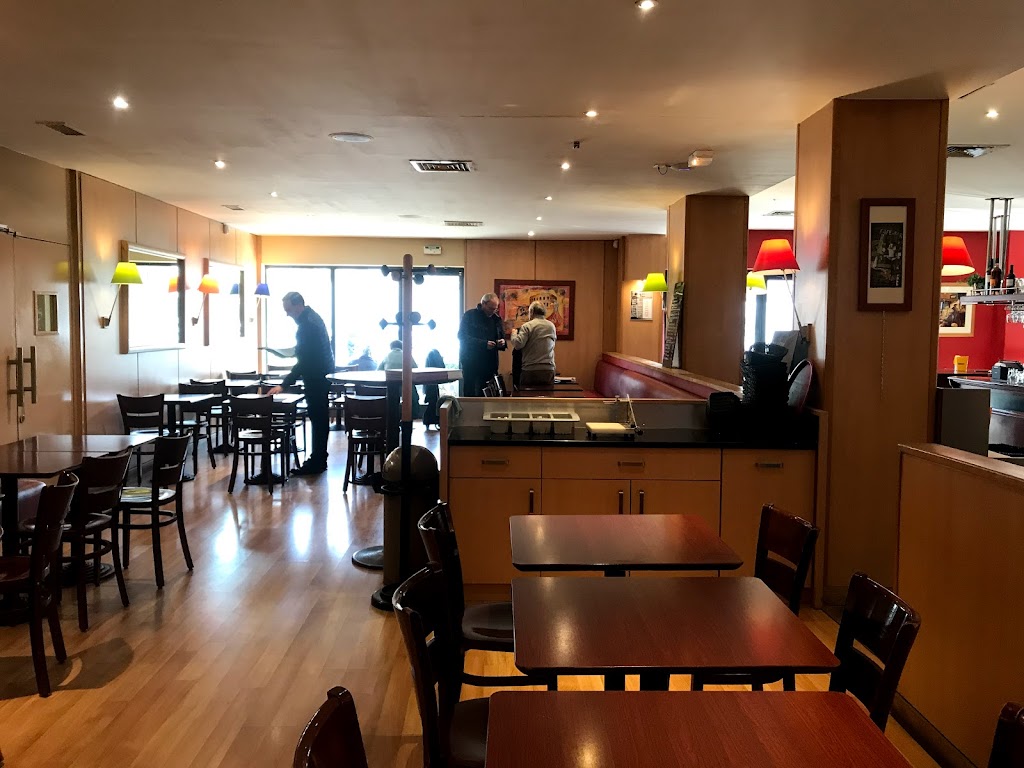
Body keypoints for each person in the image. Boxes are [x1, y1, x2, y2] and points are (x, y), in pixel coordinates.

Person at [267, 292, 333, 476]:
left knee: (318, 419)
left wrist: (284, 384)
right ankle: (319, 459)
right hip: (323, 375)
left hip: (316, 377)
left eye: (288, 310)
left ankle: (317, 461)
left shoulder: (307, 326)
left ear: (298, 305)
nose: (287, 314)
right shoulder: (313, 319)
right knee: (320, 420)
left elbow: (304, 361)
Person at [458, 292, 506, 396]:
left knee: (488, 393)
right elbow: (462, 336)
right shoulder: (470, 315)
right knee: (471, 392)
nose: (492, 311)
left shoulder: (496, 319)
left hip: (490, 363)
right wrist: (484, 344)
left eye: (495, 309)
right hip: (471, 362)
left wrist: (502, 342)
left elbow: (502, 336)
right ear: (483, 303)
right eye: (490, 308)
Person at [509, 300, 557, 387]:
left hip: (531, 369)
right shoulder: (551, 326)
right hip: (548, 369)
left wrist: (514, 334)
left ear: (531, 312)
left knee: (528, 395)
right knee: (547, 394)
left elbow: (518, 345)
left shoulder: (527, 326)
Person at [422, 349, 446, 428]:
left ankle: (428, 420)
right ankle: (434, 419)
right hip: (435, 384)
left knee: (432, 402)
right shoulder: (437, 361)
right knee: (434, 402)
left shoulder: (428, 363)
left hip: (429, 385)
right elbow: (442, 367)